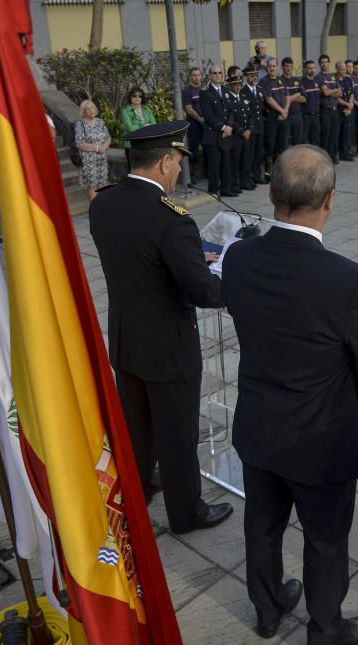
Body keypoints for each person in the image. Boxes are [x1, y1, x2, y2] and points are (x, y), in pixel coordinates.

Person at [222, 145, 358, 645]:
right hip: (320, 436)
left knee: (262, 525)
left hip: (259, 423)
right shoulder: (351, 281)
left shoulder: (240, 256)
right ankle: (323, 630)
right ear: (330, 200)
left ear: (271, 194)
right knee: (324, 538)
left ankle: (268, 610)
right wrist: (333, 399)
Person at [89, 121, 233, 535]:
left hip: (126, 338)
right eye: (176, 163)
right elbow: (203, 292)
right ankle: (187, 513)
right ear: (165, 162)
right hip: (169, 346)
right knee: (177, 433)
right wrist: (233, 276)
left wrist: (186, 260)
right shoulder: (172, 220)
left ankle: (139, 491)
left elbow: (139, 263)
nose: (177, 173)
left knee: (137, 428)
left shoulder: (104, 204)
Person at [201, 66, 236, 196]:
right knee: (214, 165)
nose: (217, 75)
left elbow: (232, 111)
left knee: (226, 163)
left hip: (226, 134)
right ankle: (214, 190)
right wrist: (223, 127)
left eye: (220, 73)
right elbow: (208, 116)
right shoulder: (205, 93)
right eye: (214, 73)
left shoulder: (226, 91)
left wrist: (230, 126)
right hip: (212, 135)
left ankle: (226, 189)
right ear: (210, 75)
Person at [74, 99, 112, 200]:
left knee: (103, 184)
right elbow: (79, 143)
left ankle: (103, 208)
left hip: (102, 159)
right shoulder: (80, 124)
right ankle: (94, 210)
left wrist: (105, 145)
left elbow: (108, 137)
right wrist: (97, 148)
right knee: (93, 185)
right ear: (84, 112)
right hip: (89, 160)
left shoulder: (100, 122)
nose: (91, 111)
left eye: (92, 108)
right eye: (87, 109)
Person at [225, 70, 254, 193]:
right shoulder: (228, 99)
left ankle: (245, 181)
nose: (238, 87)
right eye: (235, 85)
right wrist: (242, 131)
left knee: (246, 159)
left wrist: (250, 129)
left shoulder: (243, 98)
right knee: (235, 160)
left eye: (239, 85)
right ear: (230, 86)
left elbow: (250, 115)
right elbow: (230, 118)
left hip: (247, 134)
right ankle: (234, 183)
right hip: (237, 136)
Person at [261, 58, 289, 167]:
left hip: (283, 117)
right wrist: (282, 111)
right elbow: (269, 99)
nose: (272, 68)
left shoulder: (281, 80)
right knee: (270, 146)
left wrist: (285, 111)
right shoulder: (264, 81)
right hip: (271, 118)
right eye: (270, 66)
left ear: (278, 67)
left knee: (282, 146)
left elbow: (287, 97)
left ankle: (280, 171)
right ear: (266, 68)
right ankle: (269, 173)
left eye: (274, 66)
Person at [120, 87, 157, 170]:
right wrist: (144, 126)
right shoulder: (125, 111)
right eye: (134, 96)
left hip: (146, 143)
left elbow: (154, 125)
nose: (137, 98)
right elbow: (130, 128)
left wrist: (146, 127)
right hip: (131, 144)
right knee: (133, 169)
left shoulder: (147, 109)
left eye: (140, 96)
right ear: (130, 97)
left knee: (146, 169)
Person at [243, 65, 268, 185]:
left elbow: (262, 108)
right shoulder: (243, 92)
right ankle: (248, 177)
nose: (254, 77)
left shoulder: (259, 90)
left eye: (255, 75)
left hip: (260, 127)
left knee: (258, 153)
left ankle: (257, 176)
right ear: (246, 77)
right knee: (249, 154)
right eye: (251, 75)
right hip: (249, 128)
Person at [317, 55, 342, 161]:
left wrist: (330, 92)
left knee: (334, 134)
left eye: (326, 62)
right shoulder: (318, 77)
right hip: (325, 110)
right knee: (325, 134)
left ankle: (332, 156)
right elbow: (325, 92)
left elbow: (340, 92)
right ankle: (324, 158)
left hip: (334, 109)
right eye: (322, 62)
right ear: (319, 64)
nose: (324, 64)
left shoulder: (332, 76)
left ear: (329, 63)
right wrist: (333, 91)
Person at [182, 67, 206, 165]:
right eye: (194, 75)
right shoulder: (187, 91)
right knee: (193, 151)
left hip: (205, 125)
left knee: (208, 150)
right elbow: (189, 109)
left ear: (201, 76)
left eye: (198, 75)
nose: (197, 77)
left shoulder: (203, 90)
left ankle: (208, 174)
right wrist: (200, 119)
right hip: (194, 125)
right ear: (190, 77)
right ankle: (190, 177)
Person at [283, 58, 305, 147]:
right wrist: (296, 95)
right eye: (286, 66)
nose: (288, 69)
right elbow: (282, 100)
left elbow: (304, 98)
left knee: (297, 141)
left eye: (290, 67)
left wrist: (289, 98)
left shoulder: (297, 80)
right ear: (282, 67)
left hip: (297, 115)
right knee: (284, 141)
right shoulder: (280, 80)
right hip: (286, 115)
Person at [336, 61, 355, 162]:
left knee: (346, 133)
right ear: (337, 70)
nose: (344, 71)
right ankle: (337, 153)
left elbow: (351, 93)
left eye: (345, 69)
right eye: (342, 69)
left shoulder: (348, 80)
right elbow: (336, 98)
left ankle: (346, 153)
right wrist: (347, 105)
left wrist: (350, 107)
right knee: (338, 132)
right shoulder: (334, 81)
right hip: (339, 110)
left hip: (348, 109)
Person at [300, 60, 322, 146]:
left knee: (315, 140)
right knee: (304, 140)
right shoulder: (302, 82)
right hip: (305, 115)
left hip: (316, 114)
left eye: (313, 68)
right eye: (309, 68)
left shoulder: (317, 81)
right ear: (305, 69)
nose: (312, 70)